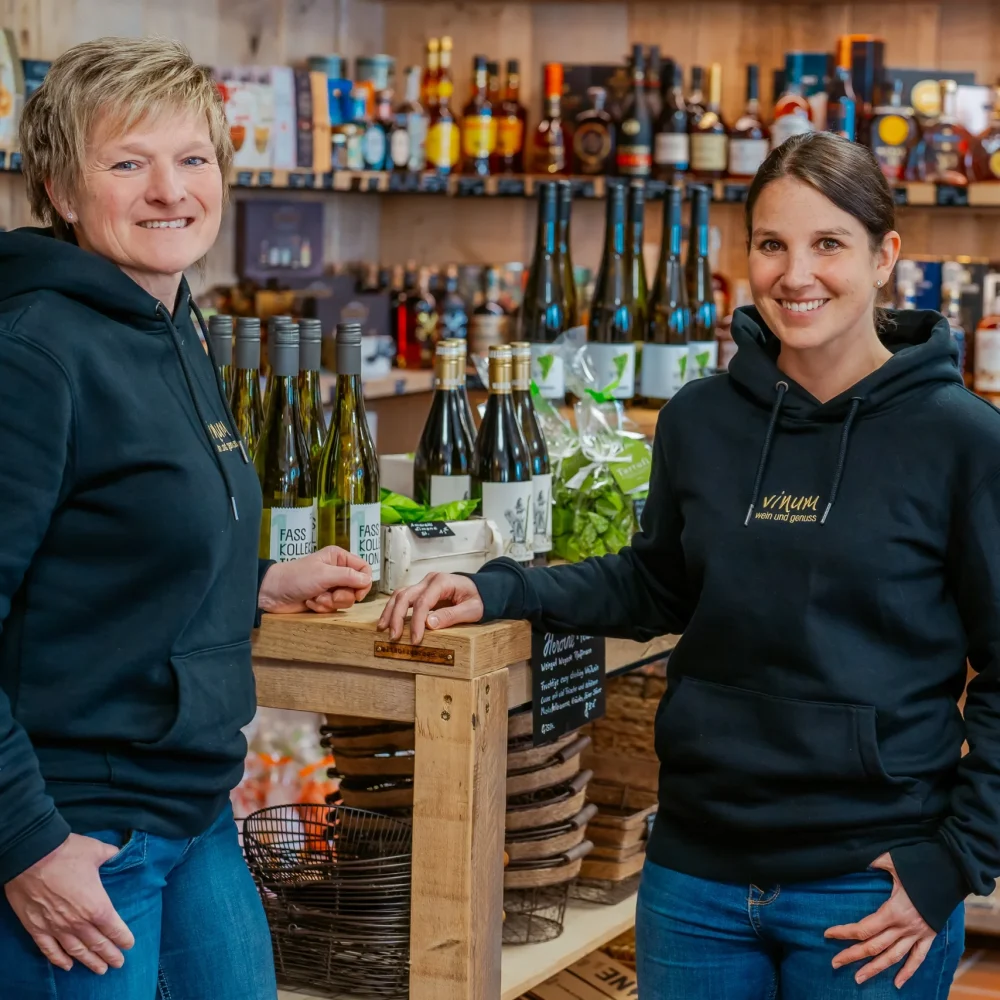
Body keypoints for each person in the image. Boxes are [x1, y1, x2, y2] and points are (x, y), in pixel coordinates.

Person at [380, 132, 1000, 998]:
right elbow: (655, 582)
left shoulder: (961, 439)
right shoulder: (701, 419)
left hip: (866, 884)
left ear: (885, 255)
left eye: (829, 244)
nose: (797, 274)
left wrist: (956, 862)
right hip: (695, 878)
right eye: (773, 244)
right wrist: (496, 588)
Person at [0, 37, 371, 998]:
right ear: (60, 186)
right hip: (79, 828)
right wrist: (25, 844)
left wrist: (252, 580)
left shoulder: (171, 318)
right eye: (127, 163)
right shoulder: (34, 356)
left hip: (195, 806)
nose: (170, 190)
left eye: (192, 159)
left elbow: (103, 553)